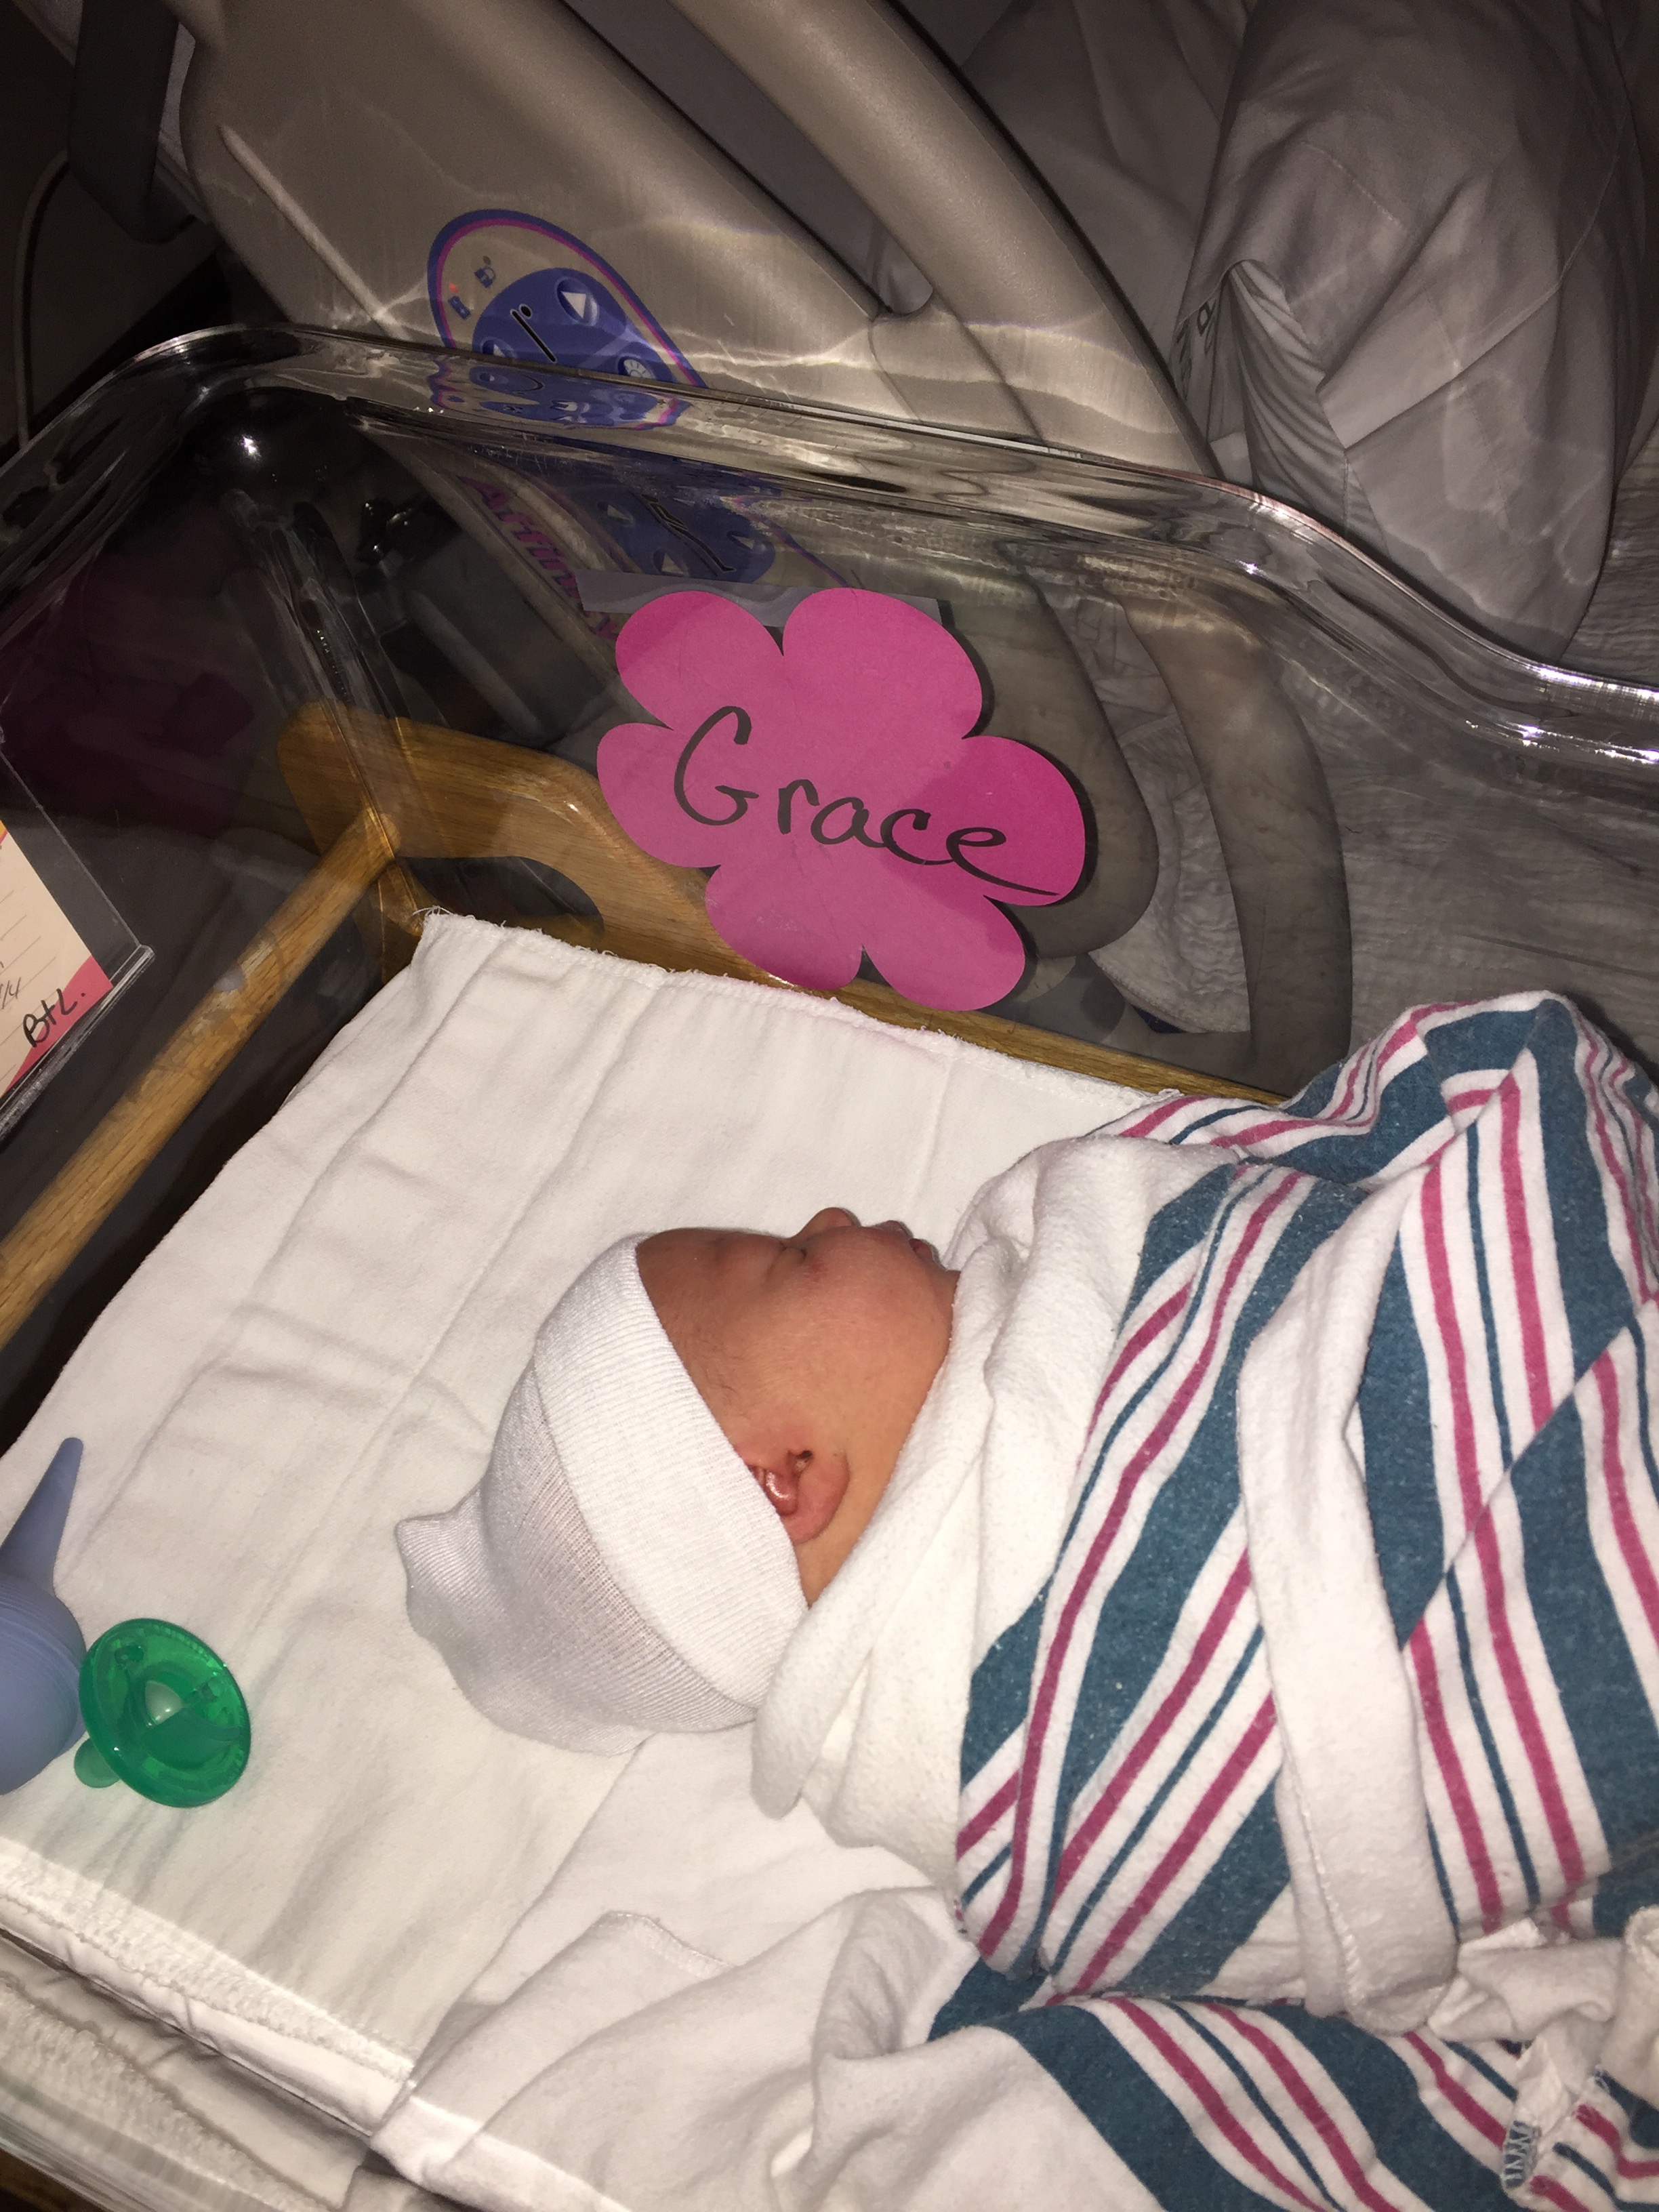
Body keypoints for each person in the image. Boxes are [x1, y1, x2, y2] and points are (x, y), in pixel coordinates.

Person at [399, 990, 1659, 2069]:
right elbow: (1167, 1831)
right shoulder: (992, 1745)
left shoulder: (1052, 1296)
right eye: (791, 1258)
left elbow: (1255, 1265)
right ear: (790, 1480)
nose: (829, 1216)